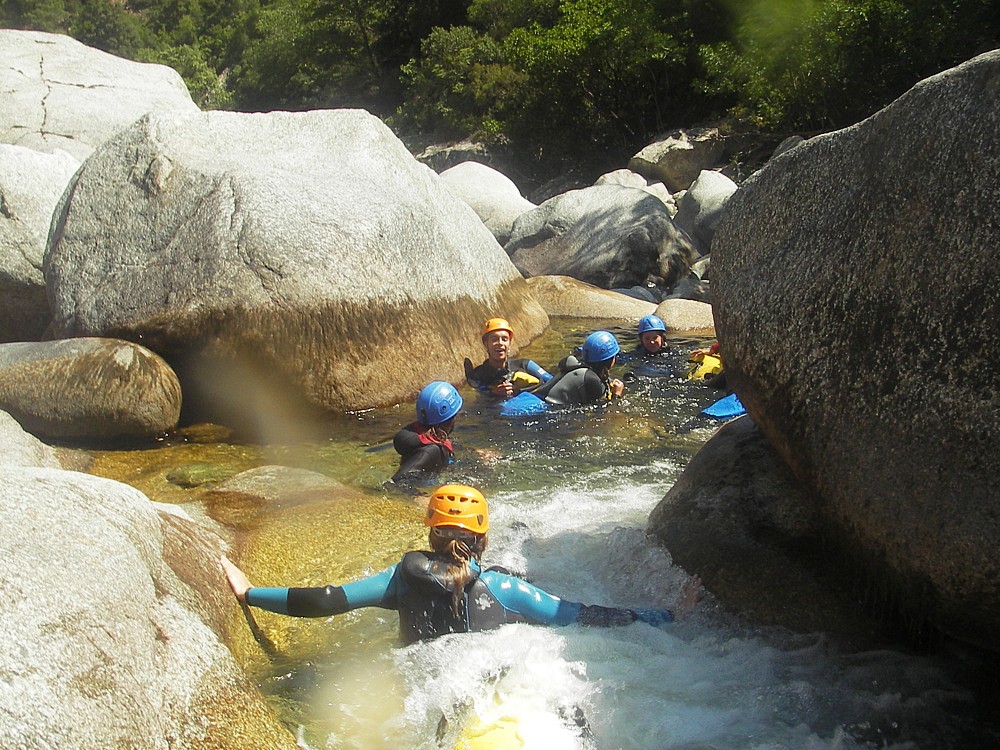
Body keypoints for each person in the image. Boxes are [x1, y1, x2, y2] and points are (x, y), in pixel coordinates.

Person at [220, 484, 701, 645]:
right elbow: (584, 617)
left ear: (430, 534)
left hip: (421, 686)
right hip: (478, 675)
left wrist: (249, 592)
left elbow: (326, 600)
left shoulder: (397, 580)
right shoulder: (505, 591)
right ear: (484, 540)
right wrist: (670, 614)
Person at [392, 381, 462, 483]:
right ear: (452, 418)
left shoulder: (428, 435)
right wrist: (420, 497)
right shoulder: (433, 451)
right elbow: (396, 483)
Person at [466, 318, 553, 398]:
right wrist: (494, 393)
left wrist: (517, 390)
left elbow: (552, 381)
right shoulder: (477, 375)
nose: (500, 343)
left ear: (509, 343)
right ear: (485, 343)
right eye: (494, 339)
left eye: (504, 339)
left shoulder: (525, 365)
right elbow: (480, 395)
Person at [533, 330, 625, 406]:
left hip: (531, 399)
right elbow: (607, 415)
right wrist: (617, 395)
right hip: (539, 410)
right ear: (610, 360)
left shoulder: (577, 365)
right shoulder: (592, 379)